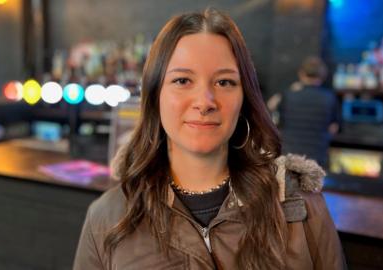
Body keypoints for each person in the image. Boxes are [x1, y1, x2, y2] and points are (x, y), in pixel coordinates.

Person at [73, 9, 346, 270]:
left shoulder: (300, 206)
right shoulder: (107, 218)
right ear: (155, 96)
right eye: (182, 81)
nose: (205, 102)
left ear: (245, 98)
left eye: (224, 82)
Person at [267, 57, 339, 168]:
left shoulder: (288, 95)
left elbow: (273, 113)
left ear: (301, 73)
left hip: (289, 156)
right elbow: (334, 128)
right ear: (323, 76)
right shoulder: (330, 98)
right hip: (317, 157)